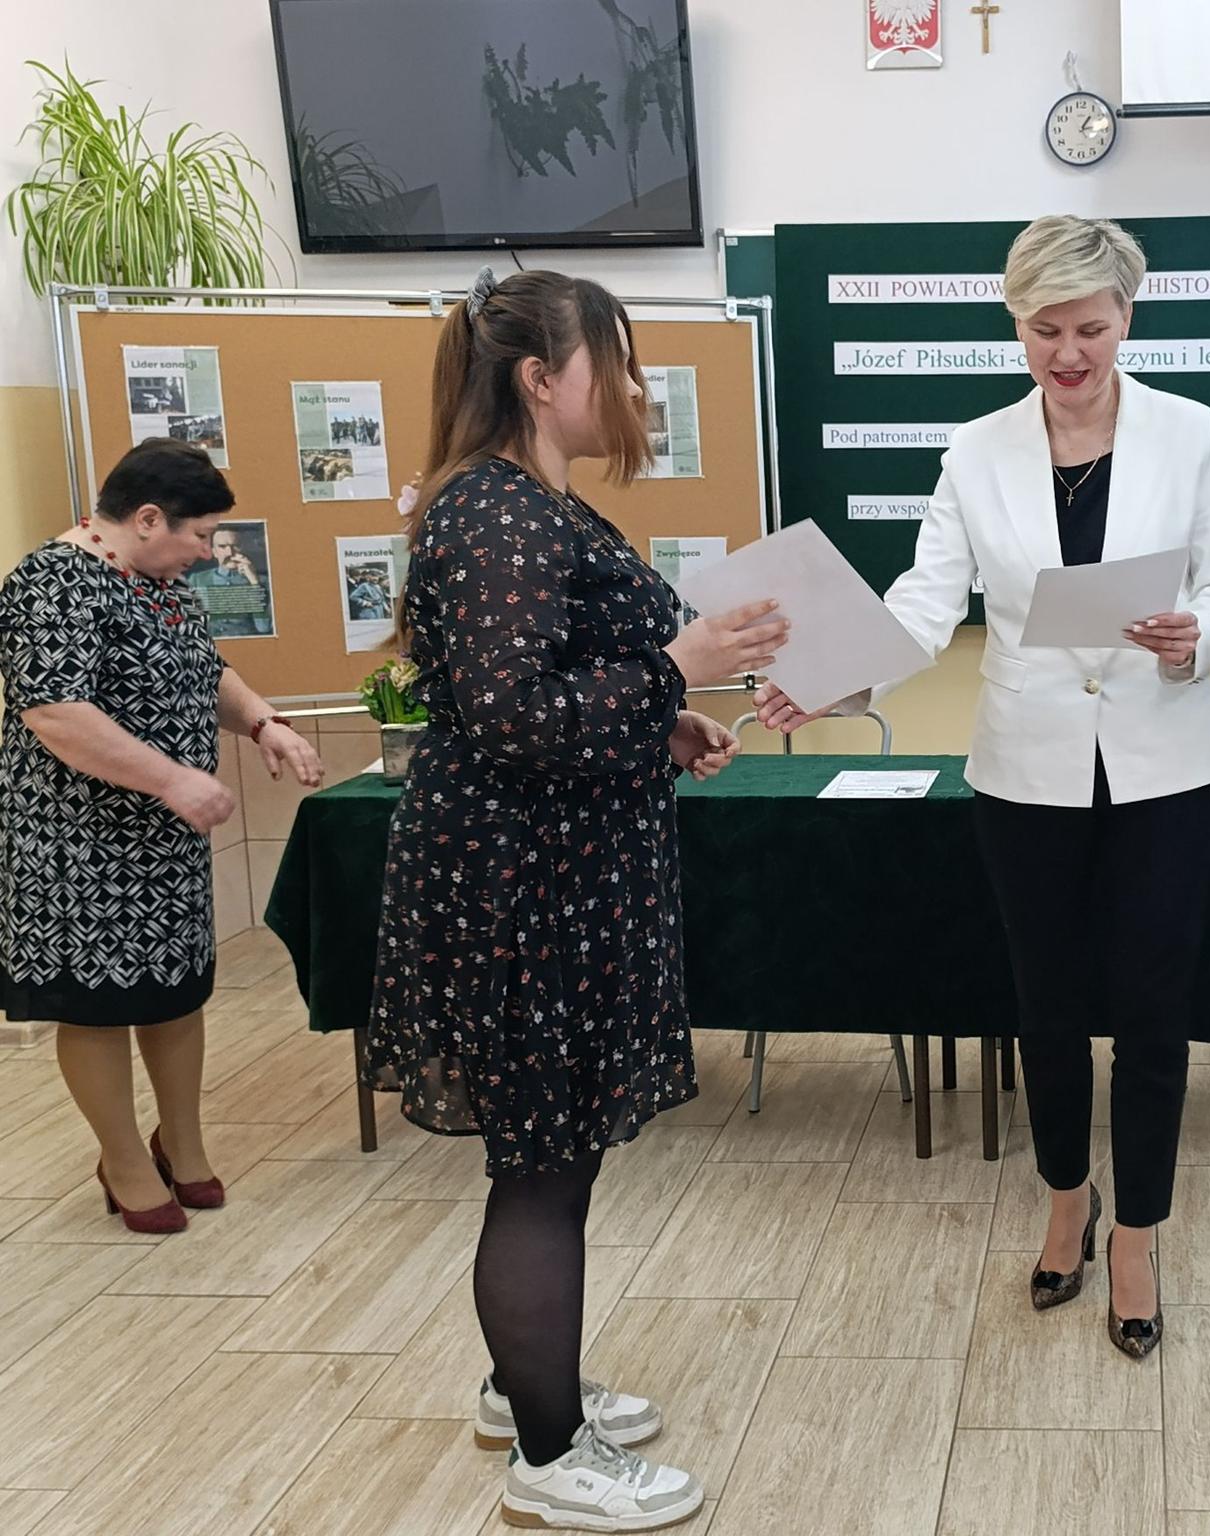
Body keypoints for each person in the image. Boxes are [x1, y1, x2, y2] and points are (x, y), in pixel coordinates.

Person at [755, 216, 1210, 1361]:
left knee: (1154, 1014)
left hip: (1168, 766)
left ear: (1127, 318)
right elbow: (924, 602)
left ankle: (1137, 1236)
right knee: (1047, 1006)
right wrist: (831, 678)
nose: (1068, 353)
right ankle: (1067, 1202)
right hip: (1026, 769)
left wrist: (1200, 632)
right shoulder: (975, 450)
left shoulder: (1189, 433)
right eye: (1045, 330)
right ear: (1016, 324)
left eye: (1089, 328)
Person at [365, 267, 785, 1532]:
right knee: (542, 1169)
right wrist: (673, 667)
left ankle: (524, 1385)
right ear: (542, 379)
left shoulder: (528, 502)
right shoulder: (494, 511)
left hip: (559, 872)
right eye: (618, 359)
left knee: (557, 1161)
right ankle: (549, 1458)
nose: (639, 385)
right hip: (524, 891)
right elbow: (509, 715)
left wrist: (664, 718)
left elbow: (549, 688)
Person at [0, 439, 325, 1233]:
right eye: (200, 535)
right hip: (75, 844)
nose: (208, 553)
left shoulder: (160, 583)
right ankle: (123, 1160)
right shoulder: (51, 583)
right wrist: (174, 780)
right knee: (96, 1004)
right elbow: (56, 713)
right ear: (148, 518)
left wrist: (264, 722)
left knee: (176, 992)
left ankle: (182, 1143)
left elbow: (205, 669)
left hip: (162, 843)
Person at [189, 525, 269, 638]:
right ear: (214, 552)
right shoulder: (196, 580)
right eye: (222, 546)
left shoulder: (261, 581)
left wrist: (254, 582)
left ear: (243, 548)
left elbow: (264, 627)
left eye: (235, 546)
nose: (230, 553)